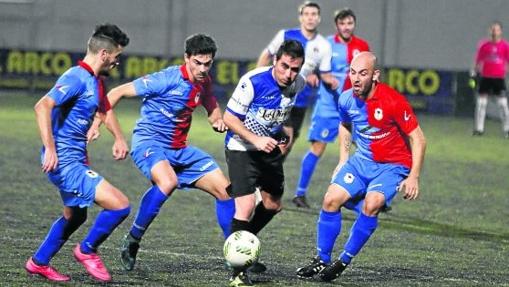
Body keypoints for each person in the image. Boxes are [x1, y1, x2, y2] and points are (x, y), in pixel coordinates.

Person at [103, 33, 235, 271]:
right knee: (168, 181)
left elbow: (210, 102)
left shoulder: (203, 80)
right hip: (149, 143)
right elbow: (116, 93)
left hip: (180, 150)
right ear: (187, 58)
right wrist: (99, 124)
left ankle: (234, 253)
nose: (203, 69)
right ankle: (133, 239)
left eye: (208, 63)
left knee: (225, 191)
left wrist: (216, 118)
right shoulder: (166, 79)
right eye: (198, 62)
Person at [296, 52, 426, 281]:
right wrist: (343, 160)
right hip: (361, 161)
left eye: (362, 74)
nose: (356, 79)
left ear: (375, 75)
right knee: (330, 199)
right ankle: (321, 259)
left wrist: (413, 176)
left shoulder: (393, 101)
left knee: (372, 203)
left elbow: (418, 138)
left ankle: (343, 260)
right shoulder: (346, 99)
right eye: (353, 72)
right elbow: (345, 126)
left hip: (392, 166)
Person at [26, 24, 131, 282]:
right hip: (64, 162)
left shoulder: (95, 80)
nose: (118, 62)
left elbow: (104, 111)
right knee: (120, 205)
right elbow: (42, 106)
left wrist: (114, 135)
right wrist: (50, 148)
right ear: (104, 54)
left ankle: (38, 262)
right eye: (117, 57)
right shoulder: (76, 76)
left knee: (76, 216)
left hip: (76, 158)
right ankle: (87, 251)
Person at [224, 40, 306, 287]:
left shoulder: (297, 84)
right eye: (284, 67)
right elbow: (229, 118)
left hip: (267, 148)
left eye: (295, 69)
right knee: (246, 206)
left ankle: (241, 244)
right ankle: (237, 271)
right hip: (241, 147)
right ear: (275, 61)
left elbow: (280, 110)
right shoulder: (253, 81)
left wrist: (281, 132)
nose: (289, 74)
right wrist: (256, 139)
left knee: (272, 205)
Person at [292, 8, 370, 208]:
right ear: (337, 25)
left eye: (350, 23)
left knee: (367, 149)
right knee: (318, 148)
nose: (346, 27)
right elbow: (308, 66)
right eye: (342, 23)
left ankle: (372, 194)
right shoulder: (325, 44)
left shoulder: (362, 46)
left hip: (354, 108)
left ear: (354, 24)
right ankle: (300, 193)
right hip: (328, 107)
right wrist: (311, 75)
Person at [257, 1, 338, 150]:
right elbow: (267, 54)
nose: (310, 18)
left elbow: (325, 74)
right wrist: (257, 77)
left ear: (319, 18)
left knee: (289, 141)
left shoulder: (324, 45)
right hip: (278, 94)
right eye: (306, 14)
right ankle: (264, 169)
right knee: (279, 134)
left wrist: (330, 80)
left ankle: (270, 170)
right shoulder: (285, 35)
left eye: (314, 14)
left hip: (301, 98)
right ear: (300, 17)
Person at [471, 21, 509, 138]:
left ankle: (507, 129)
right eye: (492, 29)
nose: (494, 32)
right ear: (489, 31)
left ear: (500, 32)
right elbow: (478, 61)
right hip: (486, 78)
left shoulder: (505, 46)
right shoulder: (484, 45)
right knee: (481, 104)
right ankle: (479, 129)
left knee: (503, 104)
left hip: (499, 78)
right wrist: (474, 73)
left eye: (496, 30)